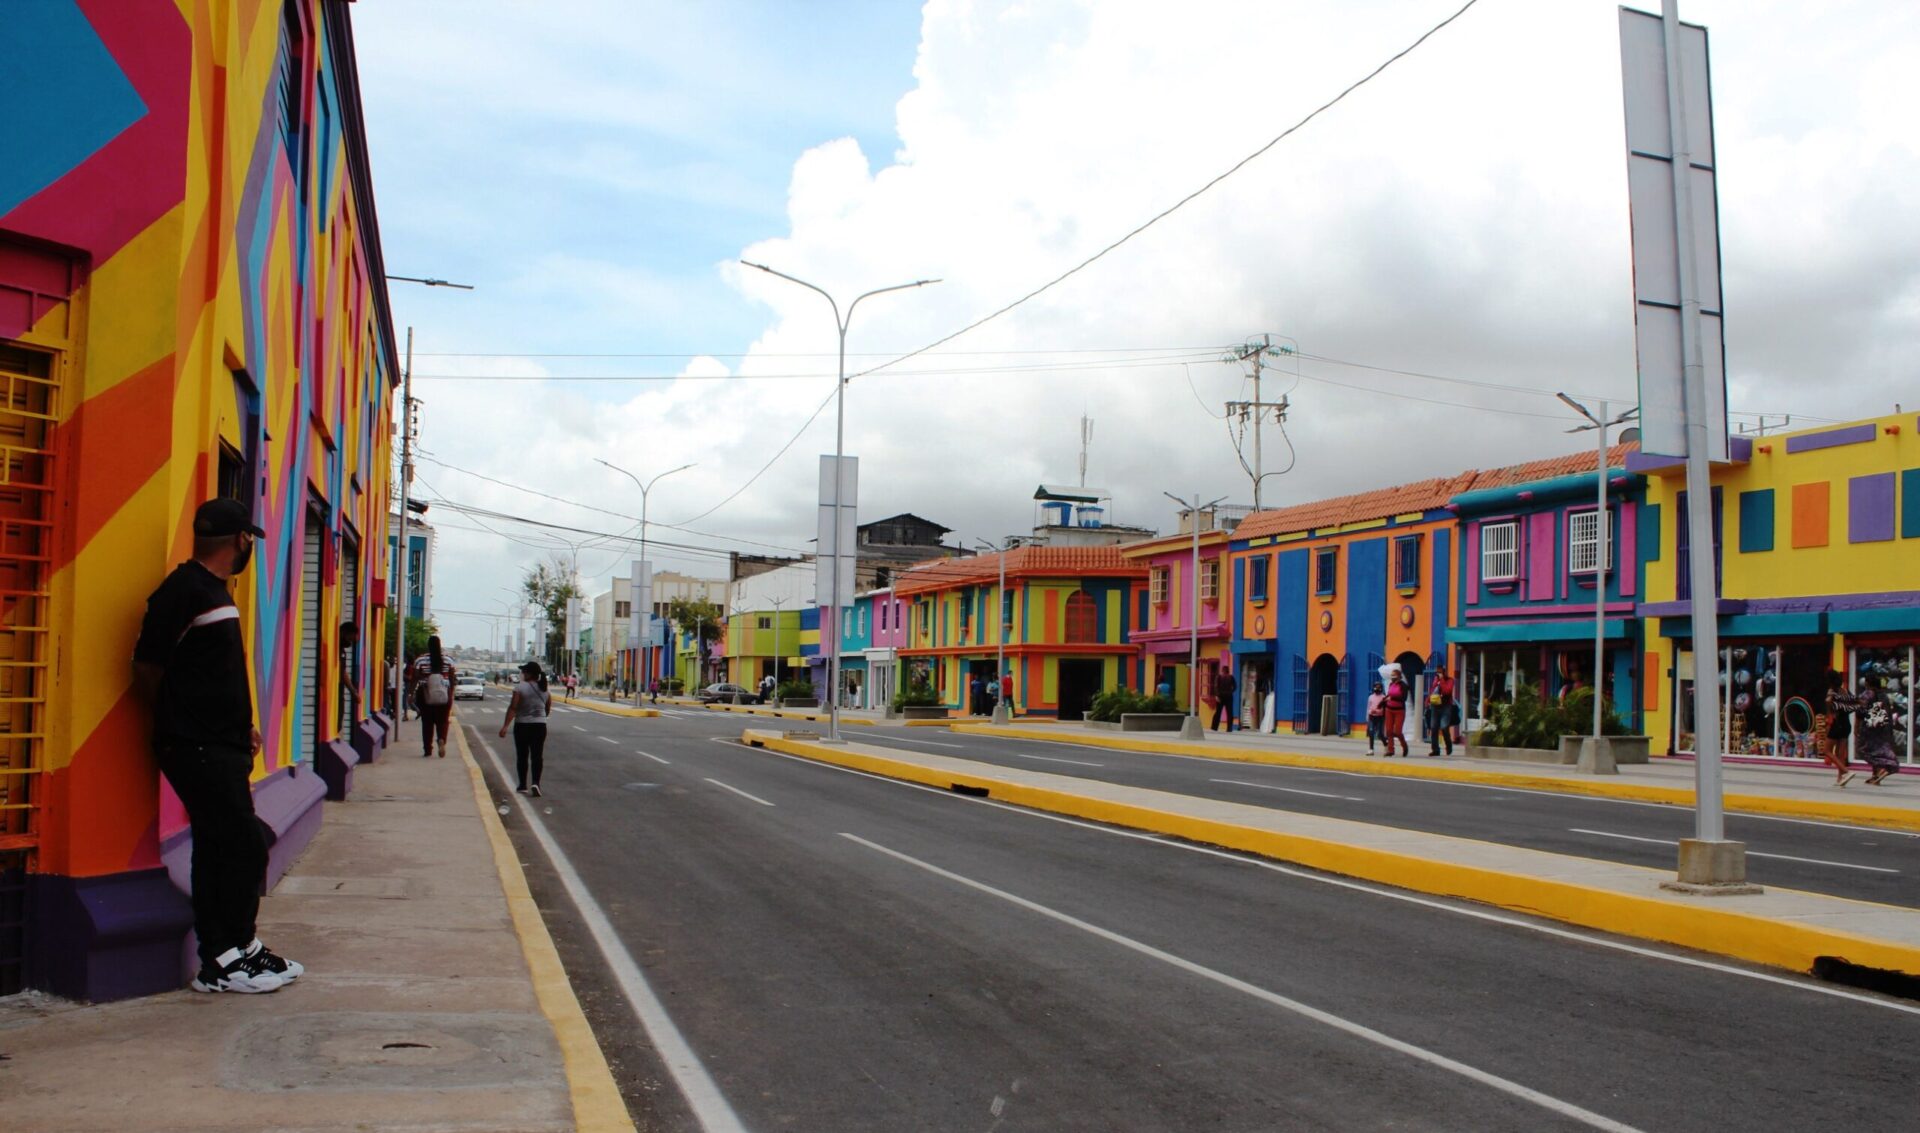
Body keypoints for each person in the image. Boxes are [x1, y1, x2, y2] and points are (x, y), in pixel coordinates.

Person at [132, 498, 301, 994]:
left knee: (222, 846)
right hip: (197, 747)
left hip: (221, 745)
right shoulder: (185, 590)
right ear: (241, 540)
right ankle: (222, 959)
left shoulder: (211, 592)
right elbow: (148, 668)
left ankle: (239, 949)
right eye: (250, 539)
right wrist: (181, 722)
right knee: (242, 845)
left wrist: (238, 724)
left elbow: (211, 674)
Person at [499, 660, 552, 796]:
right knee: (537, 755)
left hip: (522, 725)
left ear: (528, 674)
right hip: (540, 726)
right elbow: (547, 709)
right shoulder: (545, 689)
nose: (522, 673)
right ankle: (536, 783)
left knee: (522, 755)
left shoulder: (520, 688)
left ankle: (523, 785)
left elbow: (513, 707)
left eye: (523, 671)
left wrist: (505, 726)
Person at [1838, 677, 1902, 787]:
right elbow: (1888, 713)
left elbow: (1860, 711)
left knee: (1862, 749)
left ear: (1867, 683)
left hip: (1869, 725)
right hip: (1882, 725)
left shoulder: (1867, 694)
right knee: (1877, 748)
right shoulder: (1883, 695)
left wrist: (1856, 726)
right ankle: (1875, 775)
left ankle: (1883, 768)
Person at [413, 635, 454, 758]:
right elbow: (452, 679)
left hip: (425, 695)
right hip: (444, 695)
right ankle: (441, 739)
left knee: (427, 723)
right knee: (443, 721)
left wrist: (410, 694)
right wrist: (450, 694)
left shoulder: (420, 660)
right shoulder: (448, 660)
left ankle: (427, 749)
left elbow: (415, 678)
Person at [1822, 670, 1857, 787]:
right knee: (1840, 753)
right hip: (1846, 723)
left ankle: (1846, 772)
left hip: (1837, 723)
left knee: (1827, 750)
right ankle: (1840, 778)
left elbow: (1828, 702)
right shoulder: (1845, 691)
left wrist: (1829, 711)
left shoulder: (1832, 691)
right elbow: (1854, 702)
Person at [1426, 664, 1457, 757]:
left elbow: (1447, 691)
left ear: (1444, 672)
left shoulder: (1450, 680)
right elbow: (1432, 691)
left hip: (1446, 706)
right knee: (1434, 727)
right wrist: (1427, 701)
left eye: (1440, 671)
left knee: (1444, 727)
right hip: (1435, 706)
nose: (1438, 673)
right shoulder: (1436, 680)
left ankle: (1449, 745)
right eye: (1437, 671)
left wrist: (1442, 680)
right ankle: (1435, 749)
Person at [1381, 666, 1412, 756]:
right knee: (1389, 731)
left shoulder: (1403, 686)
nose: (1392, 677)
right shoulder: (1391, 684)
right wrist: (1384, 701)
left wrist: (1393, 698)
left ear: (1398, 676)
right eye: (1391, 675)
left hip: (1399, 710)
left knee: (1398, 731)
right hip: (1389, 709)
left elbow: (1404, 698)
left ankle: (1404, 746)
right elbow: (1389, 695)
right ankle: (1391, 750)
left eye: (1394, 675)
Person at [1209, 667, 1237, 732]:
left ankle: (1214, 727)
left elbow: (1216, 687)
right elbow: (1235, 686)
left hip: (1220, 696)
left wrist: (1217, 695)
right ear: (1228, 671)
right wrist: (1231, 691)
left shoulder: (1219, 677)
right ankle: (1229, 729)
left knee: (1218, 712)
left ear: (1222, 671)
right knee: (1230, 713)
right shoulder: (1231, 677)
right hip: (1229, 696)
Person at [1365, 680, 1387, 754]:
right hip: (1372, 717)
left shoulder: (1383, 697)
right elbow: (1368, 707)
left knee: (1380, 734)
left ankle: (1386, 744)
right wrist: (1368, 716)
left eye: (1379, 687)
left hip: (1380, 717)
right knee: (1371, 732)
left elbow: (1384, 709)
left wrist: (1377, 711)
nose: (1377, 689)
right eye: (1376, 687)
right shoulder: (1370, 697)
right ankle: (1371, 749)